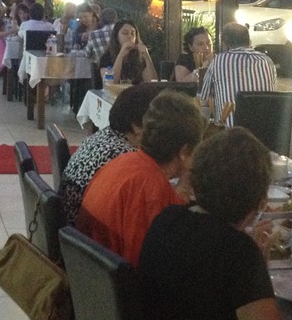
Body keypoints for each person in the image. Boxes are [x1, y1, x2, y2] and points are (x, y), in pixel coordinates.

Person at [140, 128, 292, 320]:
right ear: (262, 201)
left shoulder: (166, 221)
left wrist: (256, 268)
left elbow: (211, 291)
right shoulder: (237, 254)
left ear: (194, 182)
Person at [77, 89, 203, 265]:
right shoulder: (151, 190)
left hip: (88, 269)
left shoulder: (123, 161)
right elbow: (145, 262)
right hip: (116, 278)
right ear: (184, 151)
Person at [59, 82, 162, 226]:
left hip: (70, 228)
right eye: (158, 123)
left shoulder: (106, 136)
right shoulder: (125, 157)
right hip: (83, 231)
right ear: (137, 126)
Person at [199, 21, 275, 126]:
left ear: (225, 44)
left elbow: (204, 98)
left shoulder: (219, 61)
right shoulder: (267, 61)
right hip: (263, 130)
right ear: (249, 41)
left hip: (229, 131)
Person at [99, 20, 157, 85]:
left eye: (133, 34)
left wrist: (147, 56)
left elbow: (153, 83)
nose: (130, 36)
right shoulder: (107, 57)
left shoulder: (139, 57)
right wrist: (121, 55)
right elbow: (110, 83)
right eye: (125, 33)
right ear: (116, 37)